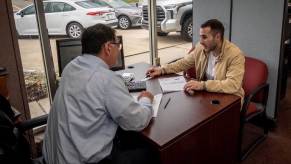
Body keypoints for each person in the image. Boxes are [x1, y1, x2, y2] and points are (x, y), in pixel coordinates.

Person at [43, 24, 157, 164]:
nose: (118, 49)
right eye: (118, 46)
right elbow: (137, 121)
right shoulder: (107, 79)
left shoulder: (71, 67)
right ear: (108, 47)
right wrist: (146, 100)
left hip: (54, 157)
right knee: (151, 153)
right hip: (82, 160)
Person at [147, 19, 245, 99]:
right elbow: (183, 63)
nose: (200, 42)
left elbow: (233, 85)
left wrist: (203, 85)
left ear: (218, 37)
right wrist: (162, 69)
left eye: (204, 37)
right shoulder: (201, 48)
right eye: (200, 37)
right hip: (208, 95)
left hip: (230, 99)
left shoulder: (235, 54)